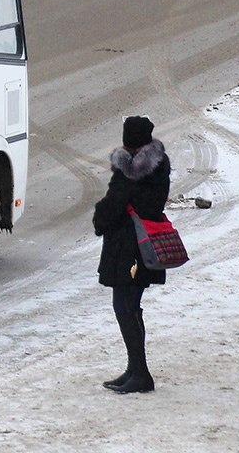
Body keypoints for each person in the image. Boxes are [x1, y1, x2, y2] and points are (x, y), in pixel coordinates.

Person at [91, 115, 170, 394]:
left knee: (125, 308)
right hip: (139, 244)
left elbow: (113, 204)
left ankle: (141, 374)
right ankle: (136, 369)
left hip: (128, 247)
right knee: (130, 307)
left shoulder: (132, 171)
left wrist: (100, 219)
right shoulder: (158, 167)